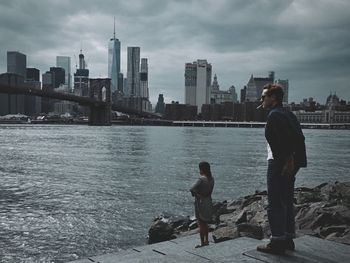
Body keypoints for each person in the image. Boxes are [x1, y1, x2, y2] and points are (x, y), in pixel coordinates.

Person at [257, 83, 307, 255]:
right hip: (290, 164)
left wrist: (286, 161)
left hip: (278, 163)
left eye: (264, 97)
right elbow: (300, 138)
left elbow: (284, 141)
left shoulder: (275, 115)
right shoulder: (288, 114)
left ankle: (277, 241)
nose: (261, 99)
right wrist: (295, 161)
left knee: (275, 203)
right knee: (285, 200)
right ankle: (287, 239)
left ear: (273, 98)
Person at [190, 161, 215, 248]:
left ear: (201, 169)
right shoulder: (212, 179)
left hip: (200, 203)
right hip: (209, 201)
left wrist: (197, 195)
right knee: (205, 223)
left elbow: (192, 189)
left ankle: (202, 243)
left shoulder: (201, 179)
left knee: (200, 223)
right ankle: (207, 240)